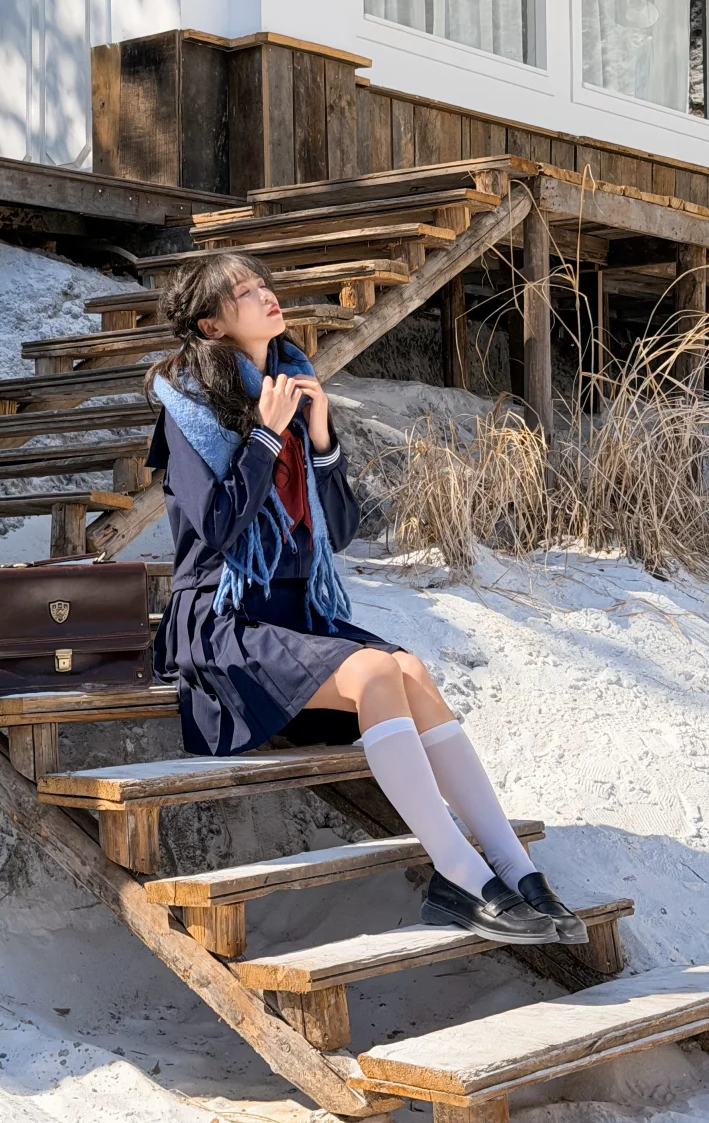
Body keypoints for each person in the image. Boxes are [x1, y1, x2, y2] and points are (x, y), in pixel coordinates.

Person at [145, 251, 585, 946]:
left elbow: (338, 532)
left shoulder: (292, 390)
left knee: (408, 667)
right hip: (223, 626)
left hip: (295, 618)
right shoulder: (189, 412)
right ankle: (457, 873)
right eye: (244, 292)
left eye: (265, 282)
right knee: (380, 670)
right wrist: (263, 434)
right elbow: (224, 527)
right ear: (212, 323)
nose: (267, 296)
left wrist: (317, 439)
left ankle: (513, 865)